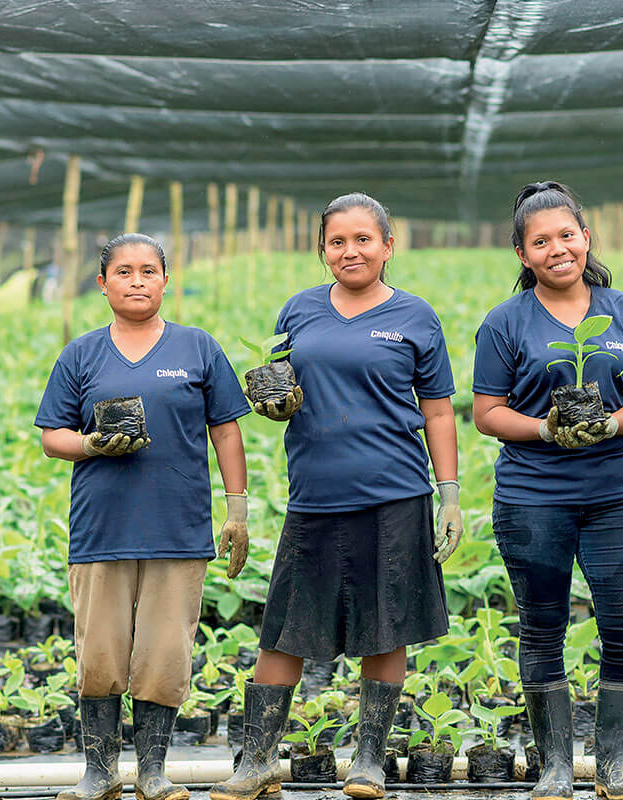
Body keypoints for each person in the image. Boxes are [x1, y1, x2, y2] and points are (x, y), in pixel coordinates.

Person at [210, 193, 463, 800]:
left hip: (396, 494)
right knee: (285, 630)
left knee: (386, 628)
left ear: (388, 245)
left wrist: (449, 494)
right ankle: (259, 759)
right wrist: (274, 406)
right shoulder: (297, 312)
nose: (350, 251)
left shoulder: (415, 317)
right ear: (322, 250)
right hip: (316, 497)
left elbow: (438, 411)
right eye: (337, 241)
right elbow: (281, 392)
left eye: (363, 239)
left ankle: (369, 760)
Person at [36, 233, 252, 800]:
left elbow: (226, 429)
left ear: (165, 279)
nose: (137, 281)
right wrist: (92, 446)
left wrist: (237, 508)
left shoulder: (197, 348)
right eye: (125, 272)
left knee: (164, 652)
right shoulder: (80, 354)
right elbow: (52, 437)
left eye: (149, 271)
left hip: (177, 527)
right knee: (100, 652)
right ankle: (100, 773)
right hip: (101, 528)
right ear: (102, 283)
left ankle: (154, 772)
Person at [471, 181, 623, 800]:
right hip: (533, 496)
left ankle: (613, 766)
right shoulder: (505, 323)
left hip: (614, 494)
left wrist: (608, 423)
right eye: (540, 241)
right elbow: (486, 411)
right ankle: (555, 765)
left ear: (586, 238)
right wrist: (544, 430)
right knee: (543, 623)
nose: (558, 248)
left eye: (567, 235)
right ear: (523, 255)